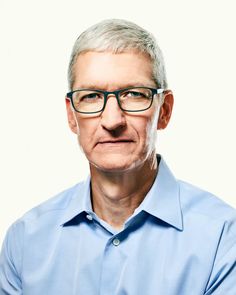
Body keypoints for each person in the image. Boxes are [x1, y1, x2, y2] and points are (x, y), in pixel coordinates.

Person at [0, 19, 236, 295]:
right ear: (71, 116)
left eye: (134, 94)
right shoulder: (25, 242)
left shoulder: (223, 238)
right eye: (91, 97)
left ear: (165, 110)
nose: (112, 120)